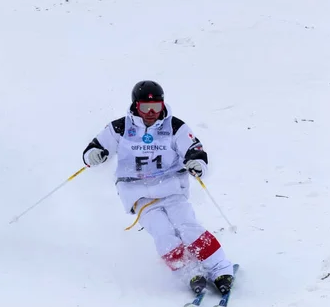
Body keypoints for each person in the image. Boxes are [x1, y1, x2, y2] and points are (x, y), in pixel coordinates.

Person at [82, 80, 234, 295]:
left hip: (171, 188)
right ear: (136, 106)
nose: (151, 112)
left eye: (157, 106)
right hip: (137, 193)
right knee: (162, 232)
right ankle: (189, 272)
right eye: (145, 107)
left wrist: (196, 163)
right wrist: (95, 155)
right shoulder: (120, 127)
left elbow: (194, 149)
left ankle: (220, 269)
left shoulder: (174, 126)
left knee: (187, 225)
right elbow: (94, 148)